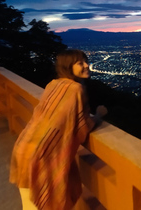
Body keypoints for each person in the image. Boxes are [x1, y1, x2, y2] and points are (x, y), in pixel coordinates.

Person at [9, 49, 107, 210]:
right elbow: (83, 126)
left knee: (29, 205)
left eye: (85, 61)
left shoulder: (52, 84)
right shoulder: (76, 89)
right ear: (68, 66)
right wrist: (98, 115)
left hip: (24, 148)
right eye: (80, 63)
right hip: (41, 155)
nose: (87, 65)